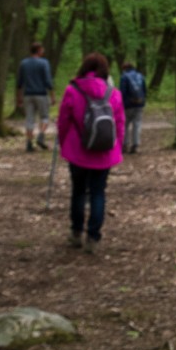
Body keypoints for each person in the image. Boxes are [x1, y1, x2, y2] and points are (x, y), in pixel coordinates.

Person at [56, 52, 125, 254]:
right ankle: (93, 238)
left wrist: (64, 143)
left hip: (78, 151)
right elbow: (120, 124)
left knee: (78, 191)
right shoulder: (114, 93)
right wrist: (117, 147)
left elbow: (63, 121)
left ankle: (76, 232)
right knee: (98, 192)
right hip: (104, 152)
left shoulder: (72, 90)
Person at [17, 42, 54, 153]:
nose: (43, 51)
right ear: (38, 50)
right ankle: (41, 136)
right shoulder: (44, 63)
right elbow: (48, 80)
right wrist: (52, 95)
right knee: (44, 117)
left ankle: (29, 142)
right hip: (41, 94)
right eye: (42, 49)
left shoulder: (23, 63)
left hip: (28, 94)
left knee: (29, 119)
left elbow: (19, 82)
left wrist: (18, 97)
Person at [117, 60, 147, 156]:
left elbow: (122, 92)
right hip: (139, 104)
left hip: (128, 105)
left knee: (125, 125)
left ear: (124, 69)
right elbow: (144, 90)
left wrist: (121, 104)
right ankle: (135, 144)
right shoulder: (140, 76)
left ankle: (125, 145)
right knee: (137, 124)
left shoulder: (124, 77)